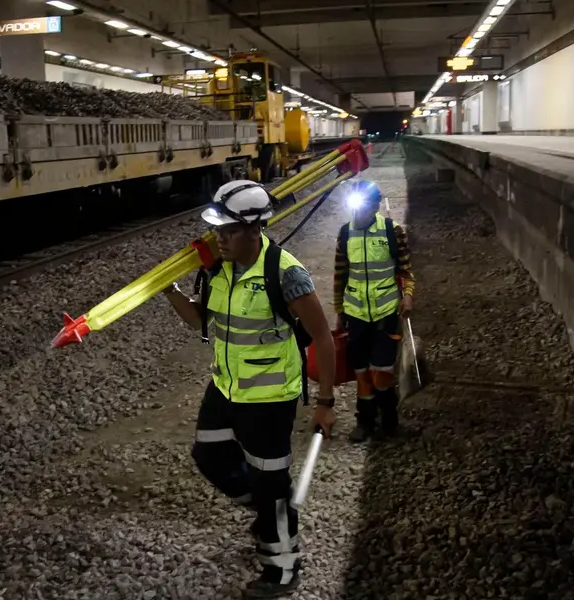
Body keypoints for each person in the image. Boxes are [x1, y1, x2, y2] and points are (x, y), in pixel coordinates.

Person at [163, 179, 337, 598]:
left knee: (272, 485)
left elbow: (324, 338)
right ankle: (265, 512)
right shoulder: (218, 271)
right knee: (209, 456)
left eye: (230, 230)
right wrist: (165, 288)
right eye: (216, 229)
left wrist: (326, 403)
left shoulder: (286, 274)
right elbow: (200, 323)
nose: (219, 238)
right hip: (225, 389)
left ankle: (282, 567)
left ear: (256, 228)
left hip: (269, 399)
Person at [332, 178, 416, 443]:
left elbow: (407, 272)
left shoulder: (393, 231)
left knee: (382, 372)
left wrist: (409, 297)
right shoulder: (345, 234)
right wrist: (339, 311)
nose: (360, 211)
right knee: (361, 373)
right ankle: (365, 421)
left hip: (385, 314)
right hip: (355, 316)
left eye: (366, 205)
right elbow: (340, 277)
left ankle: (389, 423)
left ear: (376, 205)